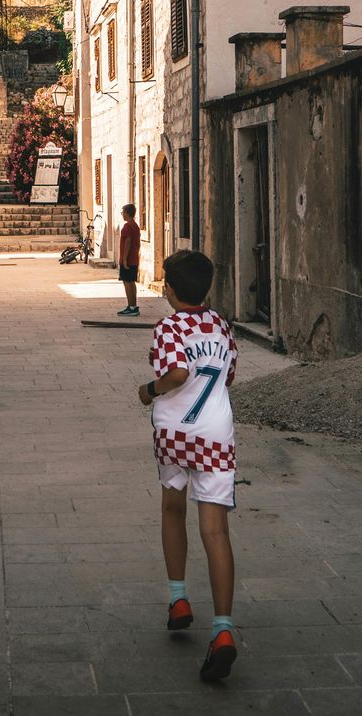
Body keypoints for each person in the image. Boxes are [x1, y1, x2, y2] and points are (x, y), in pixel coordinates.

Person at [137, 250, 240, 683]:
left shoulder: (168, 327)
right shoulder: (221, 326)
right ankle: (223, 630)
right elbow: (229, 376)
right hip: (216, 434)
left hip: (175, 433)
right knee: (215, 530)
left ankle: (178, 598)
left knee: (172, 508)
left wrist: (148, 390)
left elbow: (177, 374)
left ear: (169, 290)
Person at [118, 204, 141, 316]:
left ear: (127, 213)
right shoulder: (135, 226)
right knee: (131, 282)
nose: (122, 215)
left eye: (123, 212)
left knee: (127, 282)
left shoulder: (127, 226)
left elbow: (128, 242)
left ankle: (131, 307)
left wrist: (124, 259)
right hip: (134, 258)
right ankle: (133, 306)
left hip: (128, 259)